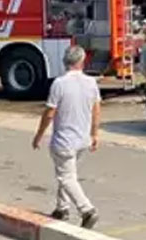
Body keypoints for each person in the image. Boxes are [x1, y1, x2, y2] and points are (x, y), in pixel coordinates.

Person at [32, 45, 101, 229]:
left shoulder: (59, 84)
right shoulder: (91, 82)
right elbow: (96, 110)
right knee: (68, 173)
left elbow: (49, 113)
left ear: (65, 62)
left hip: (64, 141)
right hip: (82, 140)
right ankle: (61, 208)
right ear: (82, 61)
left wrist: (39, 135)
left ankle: (87, 210)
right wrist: (94, 133)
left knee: (66, 177)